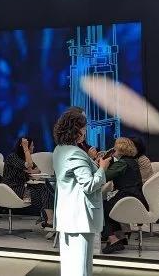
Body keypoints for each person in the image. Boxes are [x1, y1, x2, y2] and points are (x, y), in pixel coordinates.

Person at [53, 107, 112, 276]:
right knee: (81, 268)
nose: (85, 132)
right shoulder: (75, 153)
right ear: (76, 130)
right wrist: (102, 168)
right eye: (84, 128)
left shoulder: (59, 149)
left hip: (69, 215)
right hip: (80, 217)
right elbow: (89, 185)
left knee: (71, 267)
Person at [102, 137, 146, 254]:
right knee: (108, 206)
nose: (113, 150)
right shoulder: (132, 162)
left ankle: (113, 239)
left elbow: (104, 177)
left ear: (120, 149)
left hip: (127, 197)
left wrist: (102, 165)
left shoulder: (122, 163)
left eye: (115, 148)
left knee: (100, 207)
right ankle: (120, 237)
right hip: (135, 197)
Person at [2, 137, 54, 227]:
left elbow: (37, 170)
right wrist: (26, 149)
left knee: (44, 188)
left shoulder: (25, 158)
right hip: (12, 188)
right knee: (37, 195)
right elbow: (29, 165)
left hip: (24, 185)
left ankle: (50, 220)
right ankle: (48, 220)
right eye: (31, 146)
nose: (33, 148)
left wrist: (30, 170)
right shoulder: (13, 157)